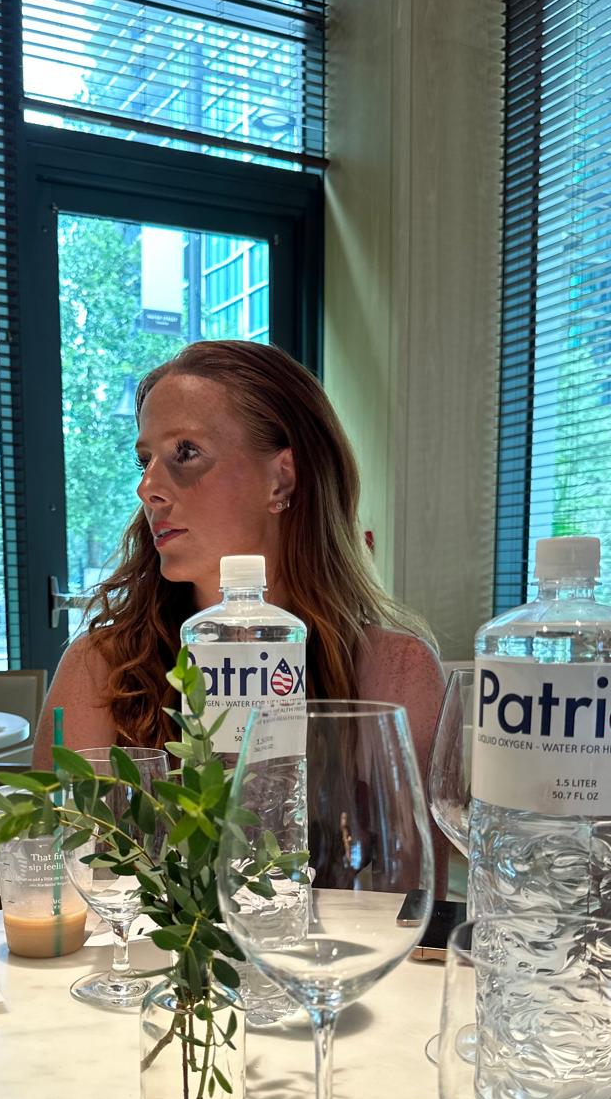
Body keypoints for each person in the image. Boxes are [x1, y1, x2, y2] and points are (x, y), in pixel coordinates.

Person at [35, 340, 445, 796]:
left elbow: (407, 843)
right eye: (144, 461)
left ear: (281, 479)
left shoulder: (395, 672)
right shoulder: (101, 669)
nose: (147, 488)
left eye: (186, 453)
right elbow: (56, 838)